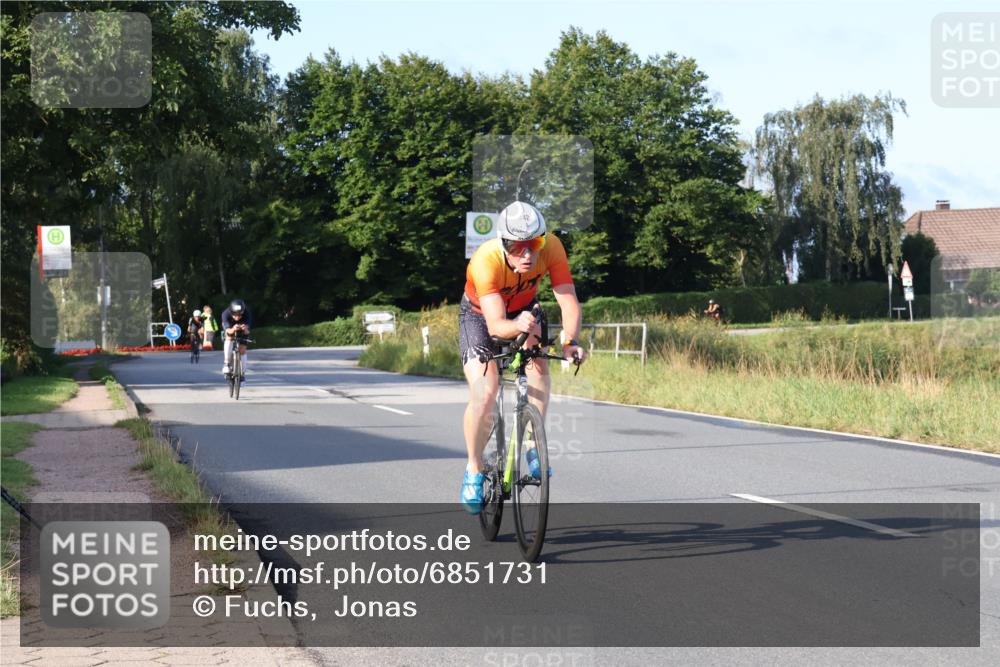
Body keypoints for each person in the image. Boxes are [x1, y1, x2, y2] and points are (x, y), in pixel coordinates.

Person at [458, 201, 587, 514]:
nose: (528, 254)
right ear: (503, 243)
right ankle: (474, 467)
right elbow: (495, 326)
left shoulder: (553, 247)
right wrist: (516, 325)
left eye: (534, 244)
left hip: (525, 310)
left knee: (539, 366)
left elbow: (568, 301)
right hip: (480, 316)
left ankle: (532, 443)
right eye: (517, 247)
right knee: (485, 392)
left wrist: (570, 342)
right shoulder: (485, 260)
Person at [220, 299, 252, 378]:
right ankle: (226, 363)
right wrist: (233, 329)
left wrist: (245, 329)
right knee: (229, 338)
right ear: (231, 313)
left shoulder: (247, 313)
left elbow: (247, 332)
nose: (237, 317)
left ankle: (243, 373)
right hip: (230, 328)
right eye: (235, 315)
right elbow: (228, 331)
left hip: (242, 329)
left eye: (240, 315)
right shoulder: (225, 314)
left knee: (242, 350)